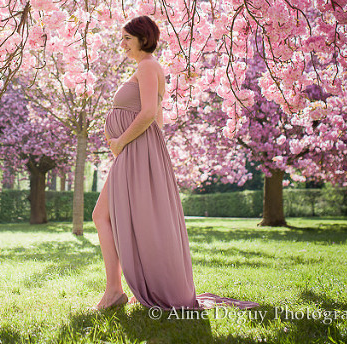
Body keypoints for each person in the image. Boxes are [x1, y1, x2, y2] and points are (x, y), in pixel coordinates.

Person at [92, 16, 258, 311]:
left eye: (127, 39)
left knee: (102, 216)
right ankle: (115, 289)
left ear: (144, 39)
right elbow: (158, 120)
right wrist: (145, 154)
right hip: (135, 153)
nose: (123, 45)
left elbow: (147, 114)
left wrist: (120, 143)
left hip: (131, 150)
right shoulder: (148, 68)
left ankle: (114, 291)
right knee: (106, 216)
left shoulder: (147, 67)